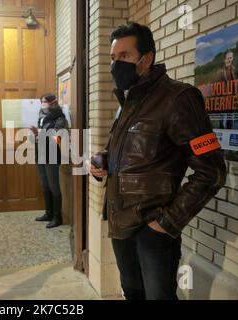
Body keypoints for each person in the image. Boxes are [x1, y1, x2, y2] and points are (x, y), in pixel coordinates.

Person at [90, 22, 227, 300]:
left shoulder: (178, 98)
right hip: (121, 223)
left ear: (147, 58)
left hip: (152, 230)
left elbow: (211, 172)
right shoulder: (129, 101)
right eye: (113, 58)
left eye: (125, 57)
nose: (117, 65)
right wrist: (102, 160)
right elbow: (124, 150)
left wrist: (166, 223)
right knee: (132, 292)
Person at [31, 93, 68, 229]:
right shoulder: (42, 115)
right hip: (40, 152)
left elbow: (57, 138)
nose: (42, 104)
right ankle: (48, 213)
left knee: (54, 186)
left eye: (44, 101)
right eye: (41, 101)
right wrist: (36, 134)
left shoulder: (60, 117)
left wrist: (41, 133)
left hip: (51, 153)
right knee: (44, 184)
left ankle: (57, 217)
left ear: (53, 102)